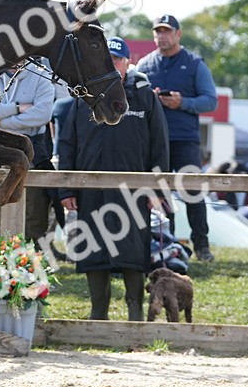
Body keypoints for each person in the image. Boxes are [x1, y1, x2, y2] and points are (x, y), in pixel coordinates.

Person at [57, 37, 169, 321]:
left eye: (117, 60)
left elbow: (160, 145)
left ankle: (135, 316)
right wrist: (66, 188)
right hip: (90, 190)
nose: (112, 65)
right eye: (107, 60)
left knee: (133, 253)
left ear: (128, 63)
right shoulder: (83, 97)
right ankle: (98, 316)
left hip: (133, 192)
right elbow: (67, 144)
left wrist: (156, 190)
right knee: (93, 251)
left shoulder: (143, 94)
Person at [135, 14, 218, 262]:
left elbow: (210, 100)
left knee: (192, 191)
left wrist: (183, 102)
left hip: (185, 139)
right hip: (153, 140)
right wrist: (151, 97)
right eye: (158, 32)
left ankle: (201, 245)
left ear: (178, 34)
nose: (162, 36)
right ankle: (164, 242)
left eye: (167, 31)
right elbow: (132, 97)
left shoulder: (194, 63)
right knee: (159, 193)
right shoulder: (145, 65)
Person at [0, 61, 56, 243]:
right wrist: (18, 108)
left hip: (32, 149)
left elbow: (42, 115)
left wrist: (1, 124)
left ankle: (29, 256)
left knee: (32, 206)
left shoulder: (42, 78)